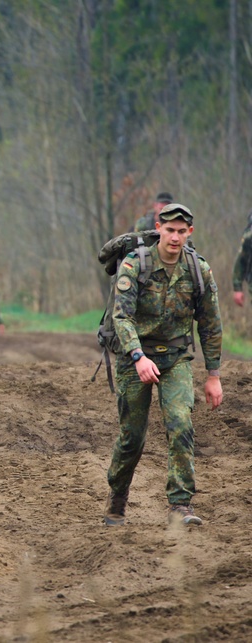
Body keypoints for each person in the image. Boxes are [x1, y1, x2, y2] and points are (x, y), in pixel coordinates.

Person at [103, 203, 222, 527]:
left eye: (181, 231)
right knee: (132, 437)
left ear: (189, 233)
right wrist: (137, 356)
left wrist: (213, 375)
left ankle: (180, 504)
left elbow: (210, 324)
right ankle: (117, 496)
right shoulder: (135, 264)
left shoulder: (198, 269)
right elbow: (122, 317)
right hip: (134, 358)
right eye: (170, 230)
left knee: (181, 423)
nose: (175, 237)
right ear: (159, 229)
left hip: (175, 358)